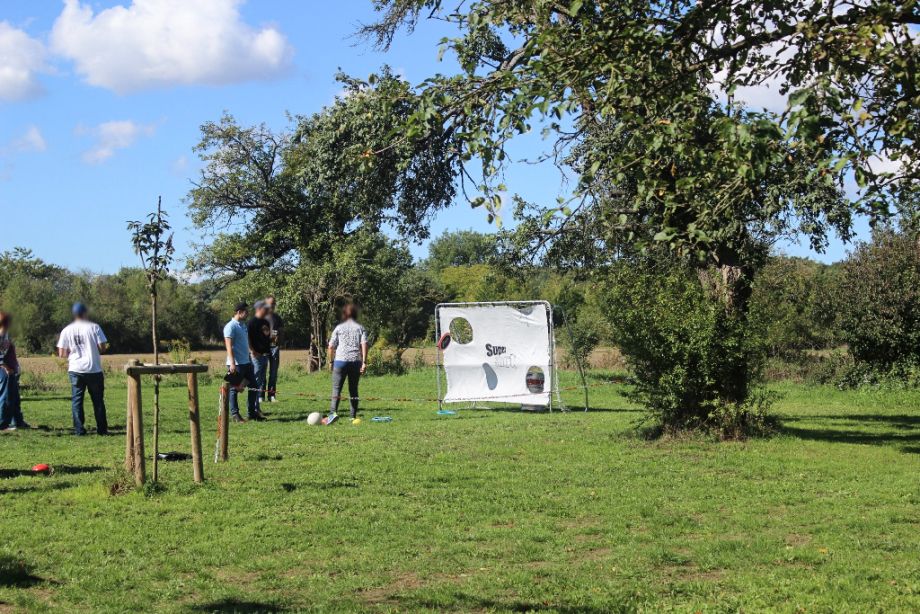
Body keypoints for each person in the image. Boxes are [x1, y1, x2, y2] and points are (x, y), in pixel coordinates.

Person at [57, 302, 109, 436]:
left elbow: (62, 354)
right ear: (85, 313)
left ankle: (79, 430)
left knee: (77, 401)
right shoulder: (94, 327)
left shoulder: (67, 330)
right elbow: (102, 347)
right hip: (93, 369)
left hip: (75, 369)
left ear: (74, 314)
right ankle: (102, 430)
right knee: (98, 401)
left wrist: (73, 352)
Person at [326, 303, 368, 424]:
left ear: (344, 314)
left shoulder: (339, 328)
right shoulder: (360, 328)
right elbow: (364, 344)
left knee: (336, 389)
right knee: (353, 389)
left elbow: (331, 346)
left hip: (340, 361)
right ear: (355, 315)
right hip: (355, 361)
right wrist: (364, 362)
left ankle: (332, 414)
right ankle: (352, 416)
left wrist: (330, 361)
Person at [224, 301, 261, 422]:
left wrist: (252, 351)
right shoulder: (230, 326)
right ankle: (235, 415)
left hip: (246, 362)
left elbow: (246, 341)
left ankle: (252, 413)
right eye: (246, 312)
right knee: (234, 389)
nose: (248, 314)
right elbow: (229, 346)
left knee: (254, 386)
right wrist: (232, 363)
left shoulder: (243, 325)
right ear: (239, 312)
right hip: (236, 364)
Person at [0, 312, 28, 431]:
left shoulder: (6, 334)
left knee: (15, 397)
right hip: (4, 369)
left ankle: (17, 421)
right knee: (5, 396)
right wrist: (5, 366)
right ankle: (2, 424)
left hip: (10, 368)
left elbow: (9, 352)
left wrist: (15, 366)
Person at [248, 300, 272, 419]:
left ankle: (257, 408)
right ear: (258, 309)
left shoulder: (266, 321)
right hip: (256, 357)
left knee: (261, 382)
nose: (267, 310)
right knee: (255, 383)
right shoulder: (252, 322)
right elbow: (248, 339)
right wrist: (252, 352)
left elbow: (266, 336)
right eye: (265, 308)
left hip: (265, 355)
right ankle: (253, 409)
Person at [264, 295, 283, 402]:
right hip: (263, 349)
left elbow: (281, 331)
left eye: (274, 303)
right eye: (270, 303)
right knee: (262, 373)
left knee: (273, 373)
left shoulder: (278, 318)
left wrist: (279, 342)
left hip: (275, 348)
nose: (272, 305)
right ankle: (261, 395)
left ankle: (271, 396)